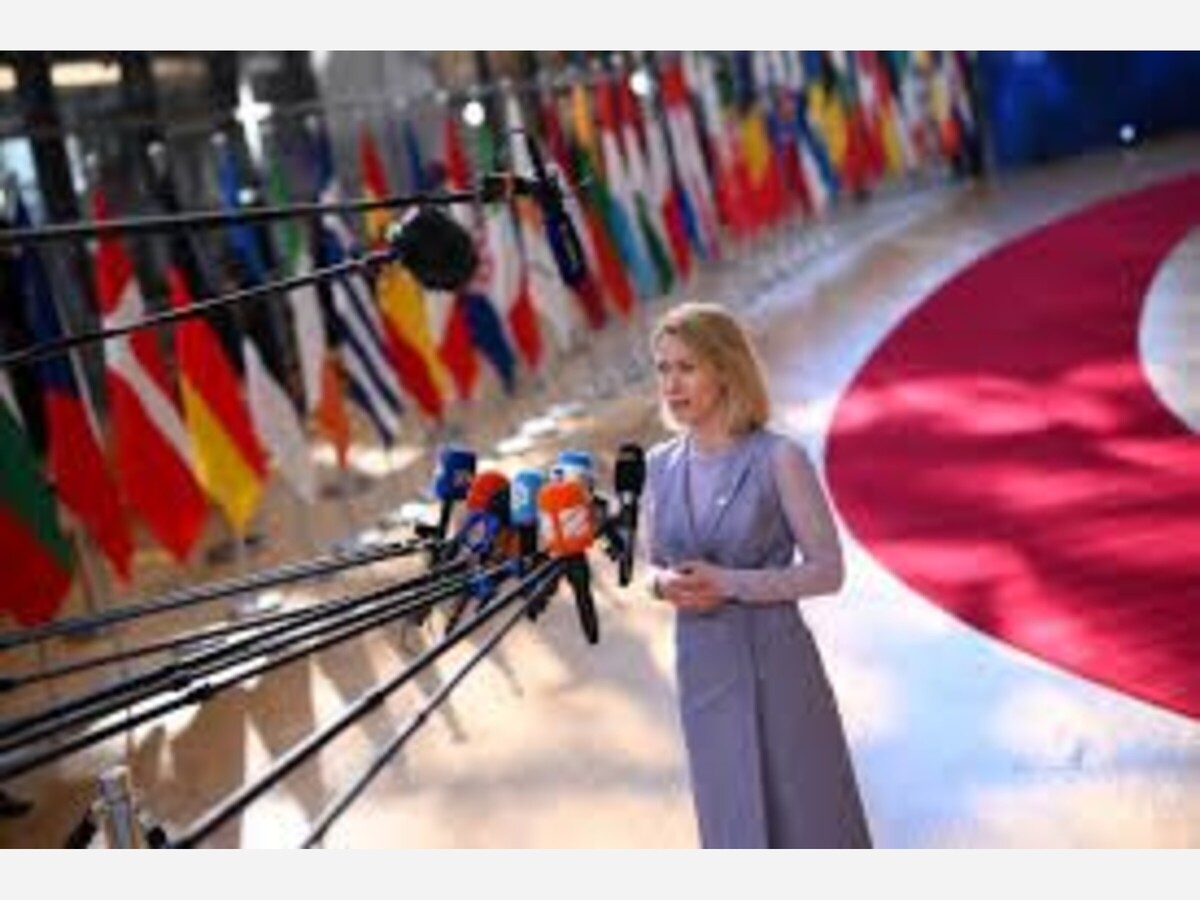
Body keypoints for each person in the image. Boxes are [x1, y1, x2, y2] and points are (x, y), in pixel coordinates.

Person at [643, 301, 871, 849]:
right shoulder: (657, 466)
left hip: (779, 672)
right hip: (704, 674)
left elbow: (828, 571)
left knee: (810, 822)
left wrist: (730, 583)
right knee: (732, 827)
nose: (672, 384)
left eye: (687, 367)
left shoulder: (780, 458)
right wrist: (660, 585)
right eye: (663, 368)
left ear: (725, 370)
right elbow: (650, 563)